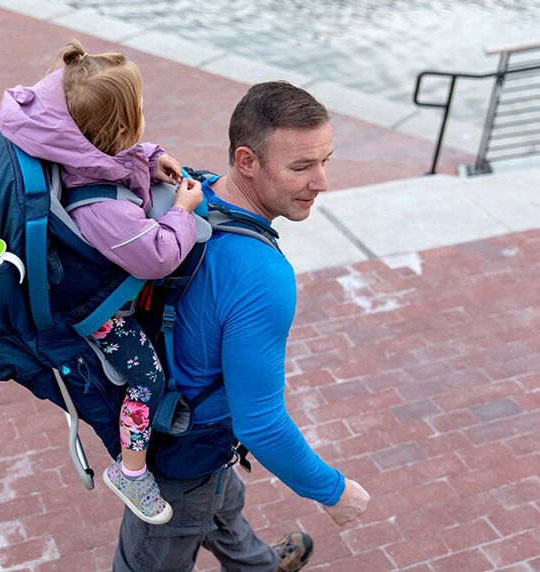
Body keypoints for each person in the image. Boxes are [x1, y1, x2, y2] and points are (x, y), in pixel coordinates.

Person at [112, 81, 372, 572]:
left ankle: (258, 566)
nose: (321, 182)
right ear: (248, 161)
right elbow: (261, 423)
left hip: (175, 419)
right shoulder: (263, 276)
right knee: (184, 524)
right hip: (180, 459)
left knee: (224, 507)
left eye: (325, 161)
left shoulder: (195, 191)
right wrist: (334, 492)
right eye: (301, 167)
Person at [0, 39, 204, 526]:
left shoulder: (77, 146)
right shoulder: (100, 207)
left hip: (102, 274)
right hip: (97, 311)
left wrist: (153, 157)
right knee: (146, 376)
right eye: (138, 114)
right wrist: (182, 213)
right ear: (117, 127)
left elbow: (123, 158)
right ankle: (130, 472)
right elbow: (157, 257)